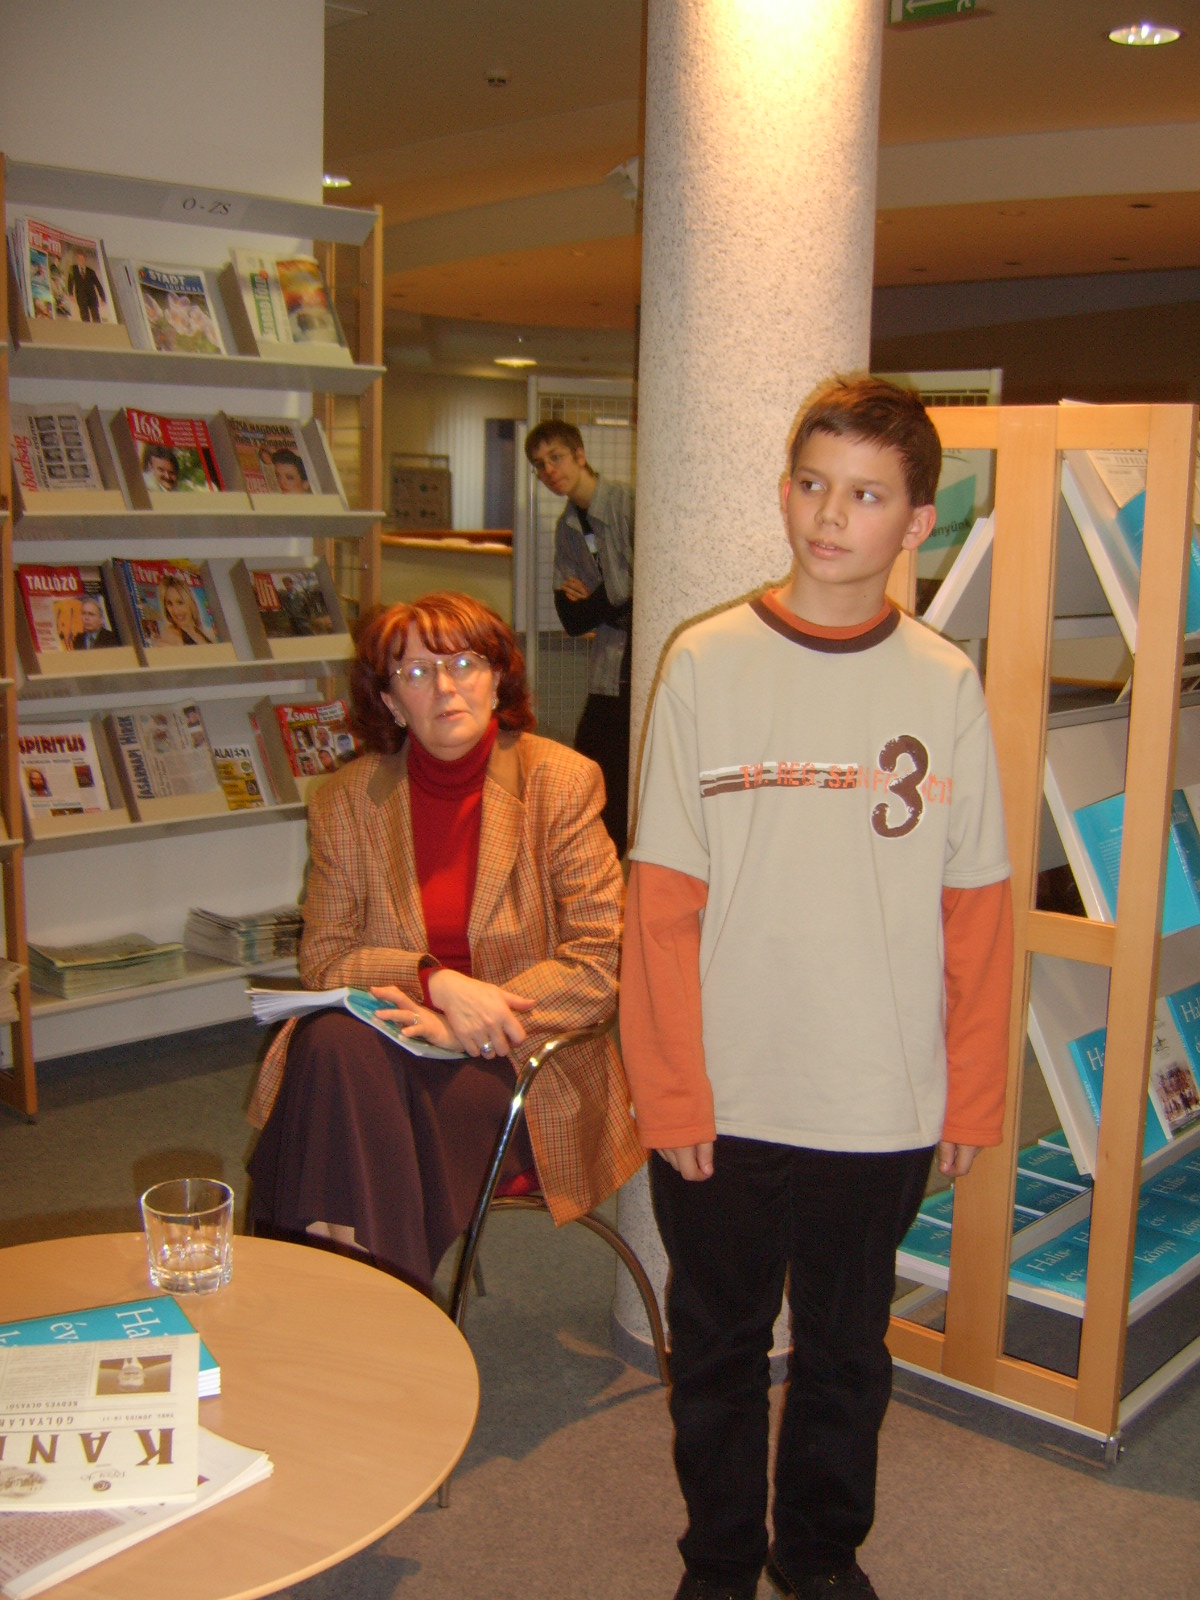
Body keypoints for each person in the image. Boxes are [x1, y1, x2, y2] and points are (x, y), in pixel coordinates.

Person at [619, 376, 1013, 1600]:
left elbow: (979, 910)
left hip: (878, 1097)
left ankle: (819, 1554)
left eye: (867, 494)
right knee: (718, 1348)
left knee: (847, 1353)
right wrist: (671, 1090)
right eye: (812, 483)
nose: (831, 515)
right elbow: (660, 905)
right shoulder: (704, 661)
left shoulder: (944, 681)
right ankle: (720, 1559)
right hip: (728, 1096)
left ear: (919, 521)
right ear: (785, 491)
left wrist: (972, 1094)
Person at [247, 590, 644, 1290]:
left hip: (516, 1062)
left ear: (496, 678)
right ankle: (381, 1308)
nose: (445, 686)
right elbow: (325, 958)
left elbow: (600, 963)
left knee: (333, 1091)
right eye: (416, 672)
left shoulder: (560, 782)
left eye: (463, 663)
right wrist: (436, 983)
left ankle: (340, 1293)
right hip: (389, 1044)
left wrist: (466, 1025)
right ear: (391, 702)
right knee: (334, 1048)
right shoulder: (347, 800)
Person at [525, 420, 634, 856]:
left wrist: (598, 599)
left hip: (642, 662)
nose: (549, 471)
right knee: (592, 764)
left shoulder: (628, 504)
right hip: (609, 665)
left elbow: (649, 590)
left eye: (556, 458)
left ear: (580, 455)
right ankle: (604, 865)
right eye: (540, 465)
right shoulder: (568, 527)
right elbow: (572, 618)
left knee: (623, 774)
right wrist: (614, 597)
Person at [158, 577, 215, 646]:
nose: (176, 611)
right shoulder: (170, 634)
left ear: (190, 602)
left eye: (180, 603)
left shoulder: (205, 631)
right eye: (170, 604)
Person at [66, 246, 105, 322]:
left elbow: (98, 285)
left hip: (92, 297)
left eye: (82, 259)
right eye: (79, 259)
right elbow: (70, 282)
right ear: (77, 259)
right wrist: (70, 294)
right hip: (81, 297)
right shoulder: (73, 269)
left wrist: (103, 298)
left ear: (85, 259)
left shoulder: (91, 271)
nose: (81, 261)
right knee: (85, 317)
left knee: (96, 317)